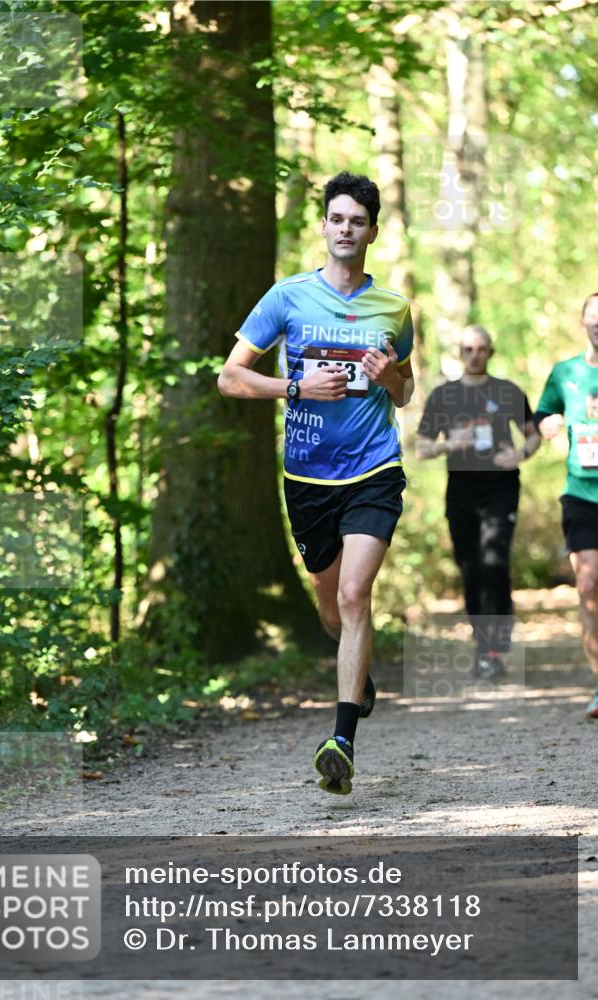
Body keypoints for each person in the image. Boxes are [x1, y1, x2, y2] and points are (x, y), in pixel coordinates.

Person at [217, 171, 415, 794]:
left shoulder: (395, 308)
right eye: (337, 219)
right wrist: (295, 387)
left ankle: (342, 739)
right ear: (324, 226)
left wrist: (389, 378)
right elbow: (229, 378)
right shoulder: (287, 297)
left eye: (358, 221)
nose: (346, 229)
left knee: (356, 596)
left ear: (373, 232)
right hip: (307, 475)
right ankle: (359, 681)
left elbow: (405, 391)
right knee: (331, 609)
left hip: (374, 467)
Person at [416, 325, 540, 678]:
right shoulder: (444, 396)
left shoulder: (508, 391)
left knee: (494, 561)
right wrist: (450, 444)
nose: (474, 355)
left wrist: (519, 453)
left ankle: (492, 648)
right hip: (461, 493)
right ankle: (482, 643)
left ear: (491, 352)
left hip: (501, 489)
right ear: (459, 352)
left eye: (481, 349)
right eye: (468, 349)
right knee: (471, 567)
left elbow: (532, 436)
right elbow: (422, 447)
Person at [534, 293, 598, 718]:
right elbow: (540, 416)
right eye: (594, 318)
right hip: (581, 494)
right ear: (583, 323)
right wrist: (548, 425)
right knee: (589, 588)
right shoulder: (566, 373)